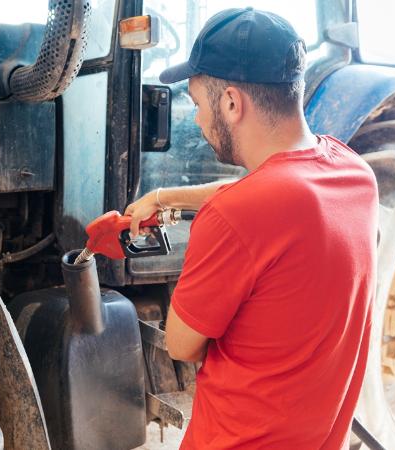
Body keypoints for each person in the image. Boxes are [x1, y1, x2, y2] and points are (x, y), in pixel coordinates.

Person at [124, 8, 379, 450]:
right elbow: (271, 188)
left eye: (198, 104)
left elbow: (183, 344)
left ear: (231, 103)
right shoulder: (354, 175)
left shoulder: (233, 218)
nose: (199, 120)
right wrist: (166, 197)